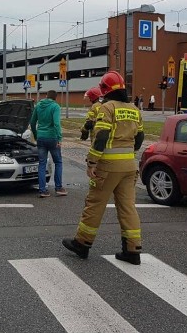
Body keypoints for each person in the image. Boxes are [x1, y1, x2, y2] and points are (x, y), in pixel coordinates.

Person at [63, 71, 144, 264]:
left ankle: (82, 244)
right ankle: (132, 251)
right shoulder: (134, 109)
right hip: (129, 167)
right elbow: (139, 138)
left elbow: (101, 138)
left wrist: (92, 162)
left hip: (107, 167)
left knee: (95, 205)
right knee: (127, 208)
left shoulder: (107, 108)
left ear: (104, 89)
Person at [30, 90, 64, 198]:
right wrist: (59, 138)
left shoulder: (38, 106)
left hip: (41, 137)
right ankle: (58, 188)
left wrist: (36, 135)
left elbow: (32, 122)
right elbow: (56, 123)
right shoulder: (55, 107)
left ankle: (42, 190)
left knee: (42, 164)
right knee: (58, 162)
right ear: (55, 98)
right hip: (53, 137)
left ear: (46, 96)